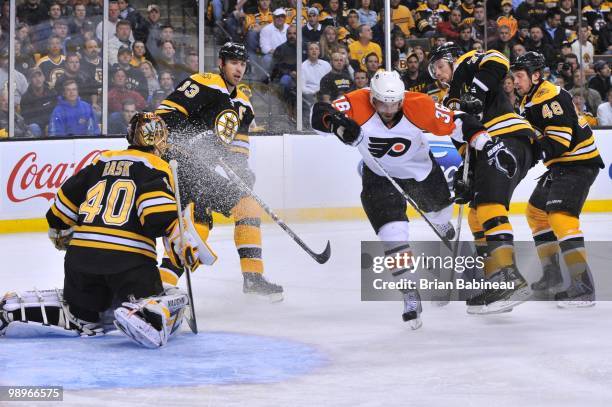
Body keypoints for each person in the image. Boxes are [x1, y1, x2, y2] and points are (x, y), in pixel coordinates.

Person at [311, 71, 508, 328]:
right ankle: (410, 293)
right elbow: (319, 113)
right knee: (393, 235)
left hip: (421, 173)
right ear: (372, 97)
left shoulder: (419, 104)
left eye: (394, 103)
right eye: (382, 103)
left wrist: (489, 145)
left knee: (440, 214)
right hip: (379, 176)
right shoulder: (356, 102)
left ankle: (438, 222)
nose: (389, 109)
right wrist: (337, 125)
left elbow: (460, 123)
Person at [0, 112, 208, 348]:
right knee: (171, 295)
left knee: (80, 312)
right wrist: (181, 242)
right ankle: (145, 315)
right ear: (159, 140)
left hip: (80, 263)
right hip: (130, 264)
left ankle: (22, 311)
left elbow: (60, 210)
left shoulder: (101, 161)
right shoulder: (157, 166)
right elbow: (156, 216)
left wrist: (61, 233)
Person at [155, 42, 284, 301]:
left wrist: (243, 172)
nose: (239, 68)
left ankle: (253, 278)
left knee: (246, 205)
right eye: (233, 63)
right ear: (222, 64)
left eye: (242, 63)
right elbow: (164, 115)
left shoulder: (244, 105)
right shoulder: (205, 84)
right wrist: (194, 137)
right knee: (196, 222)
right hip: (178, 164)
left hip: (205, 170)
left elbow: (238, 150)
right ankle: (161, 284)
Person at [429, 43, 536, 313]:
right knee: (477, 214)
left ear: (451, 59)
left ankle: (510, 278)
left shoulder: (466, 64)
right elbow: (461, 137)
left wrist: (475, 91)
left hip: (506, 138)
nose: (438, 74)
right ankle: (495, 280)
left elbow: (499, 59)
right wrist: (468, 174)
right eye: (434, 71)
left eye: (440, 66)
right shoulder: (449, 99)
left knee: (489, 206)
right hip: (486, 149)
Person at [511, 52, 604, 307]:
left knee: (560, 216)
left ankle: (583, 286)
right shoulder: (530, 98)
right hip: (562, 166)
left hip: (577, 164)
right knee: (536, 213)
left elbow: (560, 142)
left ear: (536, 76)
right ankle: (552, 276)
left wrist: (525, 152)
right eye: (514, 76)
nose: (515, 81)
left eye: (520, 76)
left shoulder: (550, 96)